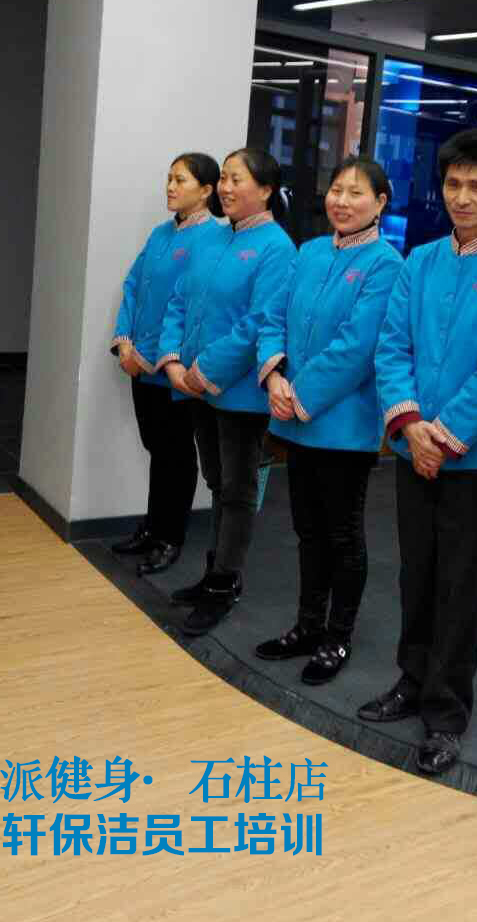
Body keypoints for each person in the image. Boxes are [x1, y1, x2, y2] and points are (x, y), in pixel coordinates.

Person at [357, 129, 477, 775]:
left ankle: (446, 712)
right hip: (415, 449)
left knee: (460, 585)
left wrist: (444, 436)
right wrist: (411, 426)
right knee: (416, 573)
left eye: (476, 186)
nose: (462, 197)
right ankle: (411, 680)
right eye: (453, 184)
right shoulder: (420, 261)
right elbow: (392, 347)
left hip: (476, 460)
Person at [253, 157, 403, 685]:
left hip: (343, 426)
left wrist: (299, 395)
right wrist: (274, 376)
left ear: (380, 203)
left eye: (356, 192)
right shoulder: (310, 251)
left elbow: (358, 348)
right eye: (337, 189)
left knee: (342, 534)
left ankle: (337, 637)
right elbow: (272, 317)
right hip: (293, 415)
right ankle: (307, 626)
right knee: (307, 530)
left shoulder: (386, 265)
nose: (341, 200)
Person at [157, 148, 296, 637]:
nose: (226, 187)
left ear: (266, 190)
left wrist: (202, 370)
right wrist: (172, 360)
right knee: (216, 482)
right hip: (196, 385)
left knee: (237, 490)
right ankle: (214, 570)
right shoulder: (214, 237)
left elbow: (259, 323)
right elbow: (179, 300)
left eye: (238, 179)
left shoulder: (277, 247)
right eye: (225, 179)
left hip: (239, 394)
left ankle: (224, 584)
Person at [109, 153, 223, 575]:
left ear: (206, 191)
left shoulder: (214, 239)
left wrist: (148, 355)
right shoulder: (160, 233)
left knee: (176, 454)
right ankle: (152, 527)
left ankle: (170, 536)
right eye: (169, 178)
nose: (171, 187)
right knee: (156, 448)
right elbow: (133, 286)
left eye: (181, 180)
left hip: (173, 370)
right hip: (138, 363)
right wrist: (124, 343)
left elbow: (189, 306)